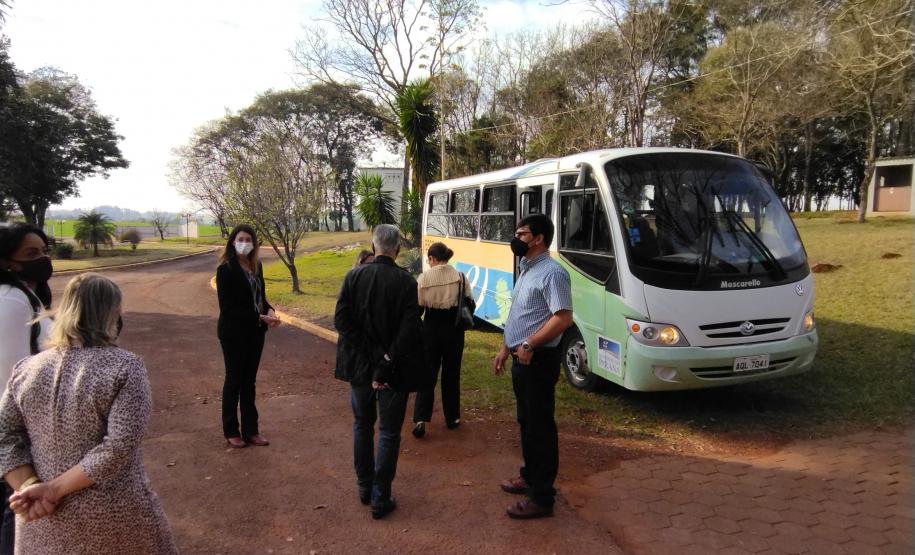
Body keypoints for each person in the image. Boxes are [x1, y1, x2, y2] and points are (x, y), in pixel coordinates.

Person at [0, 273, 177, 554]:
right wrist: (54, 489)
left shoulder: (26, 370)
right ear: (112, 311)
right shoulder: (124, 367)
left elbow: (5, 436)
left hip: (41, 520)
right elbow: (119, 446)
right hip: (113, 515)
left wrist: (31, 486)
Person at [334, 224, 425, 520]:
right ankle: (380, 494)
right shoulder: (406, 282)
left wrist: (372, 356)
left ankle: (365, 486)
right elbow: (409, 328)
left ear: (373, 247)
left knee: (362, 424)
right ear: (397, 248)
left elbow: (343, 321)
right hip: (393, 370)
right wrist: (384, 359)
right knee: (388, 432)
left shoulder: (353, 276)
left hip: (360, 368)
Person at [493, 214, 572, 520]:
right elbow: (520, 313)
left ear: (538, 238)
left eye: (522, 233)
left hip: (537, 361)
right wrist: (505, 346)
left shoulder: (552, 273)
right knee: (526, 422)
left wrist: (529, 345)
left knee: (540, 428)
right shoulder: (527, 269)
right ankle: (529, 476)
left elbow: (563, 317)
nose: (517, 238)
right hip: (520, 358)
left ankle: (541, 497)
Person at [0, 224, 54, 555]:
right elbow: (13, 380)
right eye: (31, 254)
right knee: (16, 517)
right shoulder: (13, 301)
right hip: (15, 435)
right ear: (8, 262)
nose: (43, 259)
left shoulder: (26, 296)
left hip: (23, 431)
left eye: (44, 251)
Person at [216, 224, 280, 449]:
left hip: (255, 333)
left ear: (254, 244)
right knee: (234, 380)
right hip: (234, 334)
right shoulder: (225, 269)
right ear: (233, 242)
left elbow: (260, 297)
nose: (244, 243)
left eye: (248, 239)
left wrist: (270, 310)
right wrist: (259, 317)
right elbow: (228, 308)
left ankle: (251, 430)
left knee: (249, 382)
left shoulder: (256, 267)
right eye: (240, 239)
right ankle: (231, 431)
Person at [411, 242, 473, 439]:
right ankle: (452, 418)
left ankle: (420, 420)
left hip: (430, 331)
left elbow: (418, 309)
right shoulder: (460, 277)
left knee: (427, 375)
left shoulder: (423, 278)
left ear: (432, 258)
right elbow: (470, 303)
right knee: (451, 374)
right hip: (454, 331)